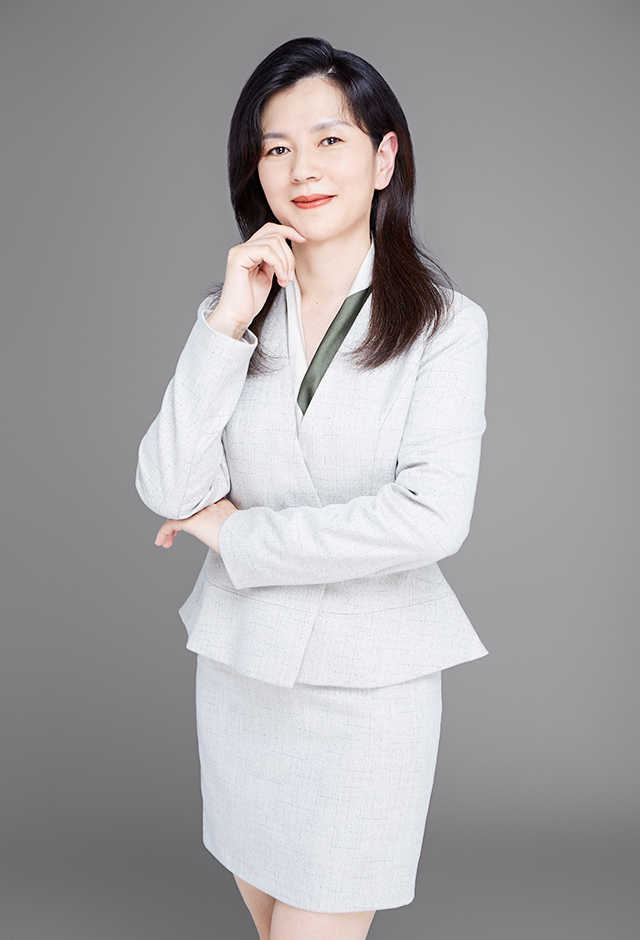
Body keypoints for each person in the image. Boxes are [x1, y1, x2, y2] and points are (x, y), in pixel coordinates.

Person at [135, 36, 488, 940]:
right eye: (276, 147)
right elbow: (168, 484)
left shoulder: (446, 326)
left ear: (384, 156)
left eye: (330, 140)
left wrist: (236, 535)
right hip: (242, 673)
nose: (302, 168)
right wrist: (226, 320)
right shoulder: (235, 317)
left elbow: (428, 519)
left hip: (368, 686)